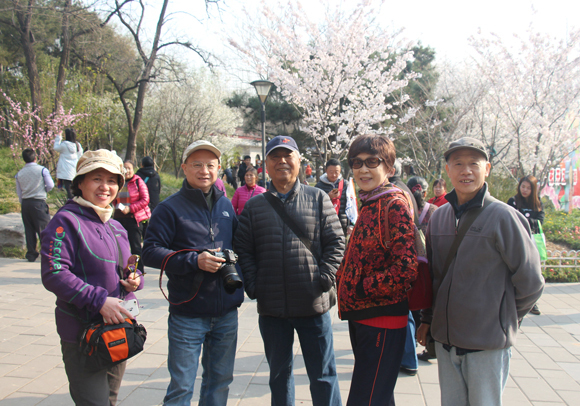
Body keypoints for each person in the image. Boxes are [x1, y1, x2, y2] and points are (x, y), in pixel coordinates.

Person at [416, 137, 545, 406]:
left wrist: (502, 318)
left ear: (486, 169)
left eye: (474, 164)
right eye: (458, 164)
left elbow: (531, 281)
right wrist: (428, 319)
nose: (466, 171)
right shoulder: (439, 217)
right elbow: (434, 277)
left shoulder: (503, 216)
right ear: (448, 170)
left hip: (487, 345)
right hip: (446, 343)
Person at [234, 135, 344, 406]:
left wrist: (324, 278)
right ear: (266, 165)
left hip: (313, 303)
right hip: (272, 309)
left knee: (323, 375)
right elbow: (243, 250)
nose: (282, 161)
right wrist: (254, 285)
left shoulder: (317, 198)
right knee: (279, 376)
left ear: (299, 162)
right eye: (275, 157)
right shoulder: (254, 206)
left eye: (288, 156)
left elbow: (336, 242)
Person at [142, 140, 244, 406]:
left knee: (220, 382)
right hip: (188, 313)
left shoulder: (225, 205)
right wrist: (193, 261)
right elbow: (150, 251)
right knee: (182, 387)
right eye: (197, 165)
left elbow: (240, 245)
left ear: (219, 169)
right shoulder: (169, 208)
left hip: (226, 312)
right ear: (184, 168)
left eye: (210, 165)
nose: (204, 171)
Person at [40, 149, 143, 405]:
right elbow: (54, 273)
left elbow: (128, 267)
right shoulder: (65, 221)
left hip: (117, 328)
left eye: (112, 181)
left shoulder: (116, 226)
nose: (105, 187)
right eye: (97, 178)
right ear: (80, 183)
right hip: (83, 333)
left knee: (110, 399)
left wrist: (135, 279)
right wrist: (99, 301)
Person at [336, 134, 418, 406]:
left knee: (366, 399)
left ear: (389, 168)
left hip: (382, 319)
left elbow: (405, 268)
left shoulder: (393, 205)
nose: (363, 169)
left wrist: (362, 288)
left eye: (372, 162)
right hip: (364, 316)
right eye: (356, 163)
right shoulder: (372, 201)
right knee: (377, 397)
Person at [406, 176, 438, 363]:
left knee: (412, 307)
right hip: (431, 264)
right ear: (425, 193)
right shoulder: (435, 211)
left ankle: (412, 343)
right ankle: (429, 344)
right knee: (429, 303)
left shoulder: (405, 208)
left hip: (411, 264)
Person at [508, 175, 545, 315]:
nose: (524, 190)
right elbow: (509, 219)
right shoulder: (513, 201)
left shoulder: (537, 202)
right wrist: (528, 221)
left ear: (533, 189)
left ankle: (532, 302)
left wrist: (524, 220)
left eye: (528, 188)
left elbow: (540, 220)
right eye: (523, 186)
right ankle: (513, 299)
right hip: (516, 242)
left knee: (532, 272)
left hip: (531, 242)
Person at [15, 148, 54, 262]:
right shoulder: (42, 170)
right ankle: (47, 253)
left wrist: (23, 201)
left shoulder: (19, 174)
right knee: (44, 229)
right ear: (36, 158)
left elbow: (19, 192)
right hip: (39, 202)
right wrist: (43, 190)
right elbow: (50, 185)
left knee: (29, 229)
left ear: (24, 159)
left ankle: (31, 254)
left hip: (26, 203)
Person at [113, 161, 151, 273]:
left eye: (129, 168)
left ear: (133, 169)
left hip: (134, 219)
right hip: (119, 218)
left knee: (135, 248)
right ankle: (123, 271)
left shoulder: (138, 181)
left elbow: (145, 200)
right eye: (124, 168)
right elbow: (113, 198)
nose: (127, 171)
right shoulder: (117, 182)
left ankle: (138, 272)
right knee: (119, 247)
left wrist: (130, 209)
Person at [315, 158, 351, 236]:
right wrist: (328, 197)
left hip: (342, 224)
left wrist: (351, 224)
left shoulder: (346, 184)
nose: (334, 175)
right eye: (331, 172)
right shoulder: (319, 186)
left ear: (340, 171)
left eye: (336, 172)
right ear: (326, 170)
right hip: (325, 225)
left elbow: (351, 205)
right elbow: (314, 205)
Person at [54, 128, 83, 199]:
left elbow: (56, 147)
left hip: (65, 170)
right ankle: (76, 200)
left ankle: (71, 201)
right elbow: (80, 156)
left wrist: (58, 137)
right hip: (74, 169)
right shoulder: (77, 145)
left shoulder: (64, 145)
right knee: (74, 188)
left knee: (68, 189)